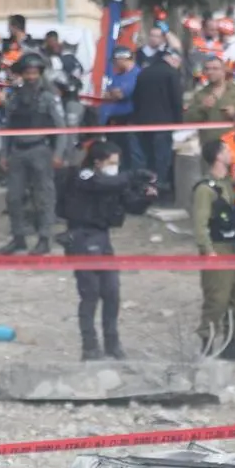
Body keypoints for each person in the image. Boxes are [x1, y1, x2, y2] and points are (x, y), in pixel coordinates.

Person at [63, 139, 157, 360]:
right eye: (111, 162)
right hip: (82, 238)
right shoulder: (83, 175)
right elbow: (100, 184)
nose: (115, 167)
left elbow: (131, 205)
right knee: (90, 294)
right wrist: (132, 176)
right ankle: (89, 346)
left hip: (103, 239)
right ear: (98, 162)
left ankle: (112, 344)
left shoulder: (114, 182)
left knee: (112, 293)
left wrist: (147, 197)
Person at [192, 142, 235, 360]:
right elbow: (200, 224)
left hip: (234, 247)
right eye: (226, 150)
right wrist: (208, 251)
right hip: (217, 247)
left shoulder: (226, 184)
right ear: (217, 156)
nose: (231, 154)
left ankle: (232, 342)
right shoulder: (204, 189)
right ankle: (207, 344)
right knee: (217, 298)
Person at [0, 53, 62, 254]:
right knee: (14, 198)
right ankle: (18, 237)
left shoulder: (47, 97)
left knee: (43, 197)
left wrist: (58, 153)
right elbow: (7, 127)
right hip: (18, 151)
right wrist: (3, 154)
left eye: (34, 73)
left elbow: (61, 127)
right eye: (27, 73)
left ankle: (44, 238)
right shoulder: (15, 98)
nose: (31, 77)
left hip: (40, 150)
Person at [128, 44, 184, 196]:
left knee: (145, 157)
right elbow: (176, 100)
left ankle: (143, 186)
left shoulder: (143, 72)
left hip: (142, 123)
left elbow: (136, 98)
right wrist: (180, 123)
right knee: (162, 158)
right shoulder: (171, 74)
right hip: (164, 123)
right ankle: (159, 188)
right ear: (173, 59)